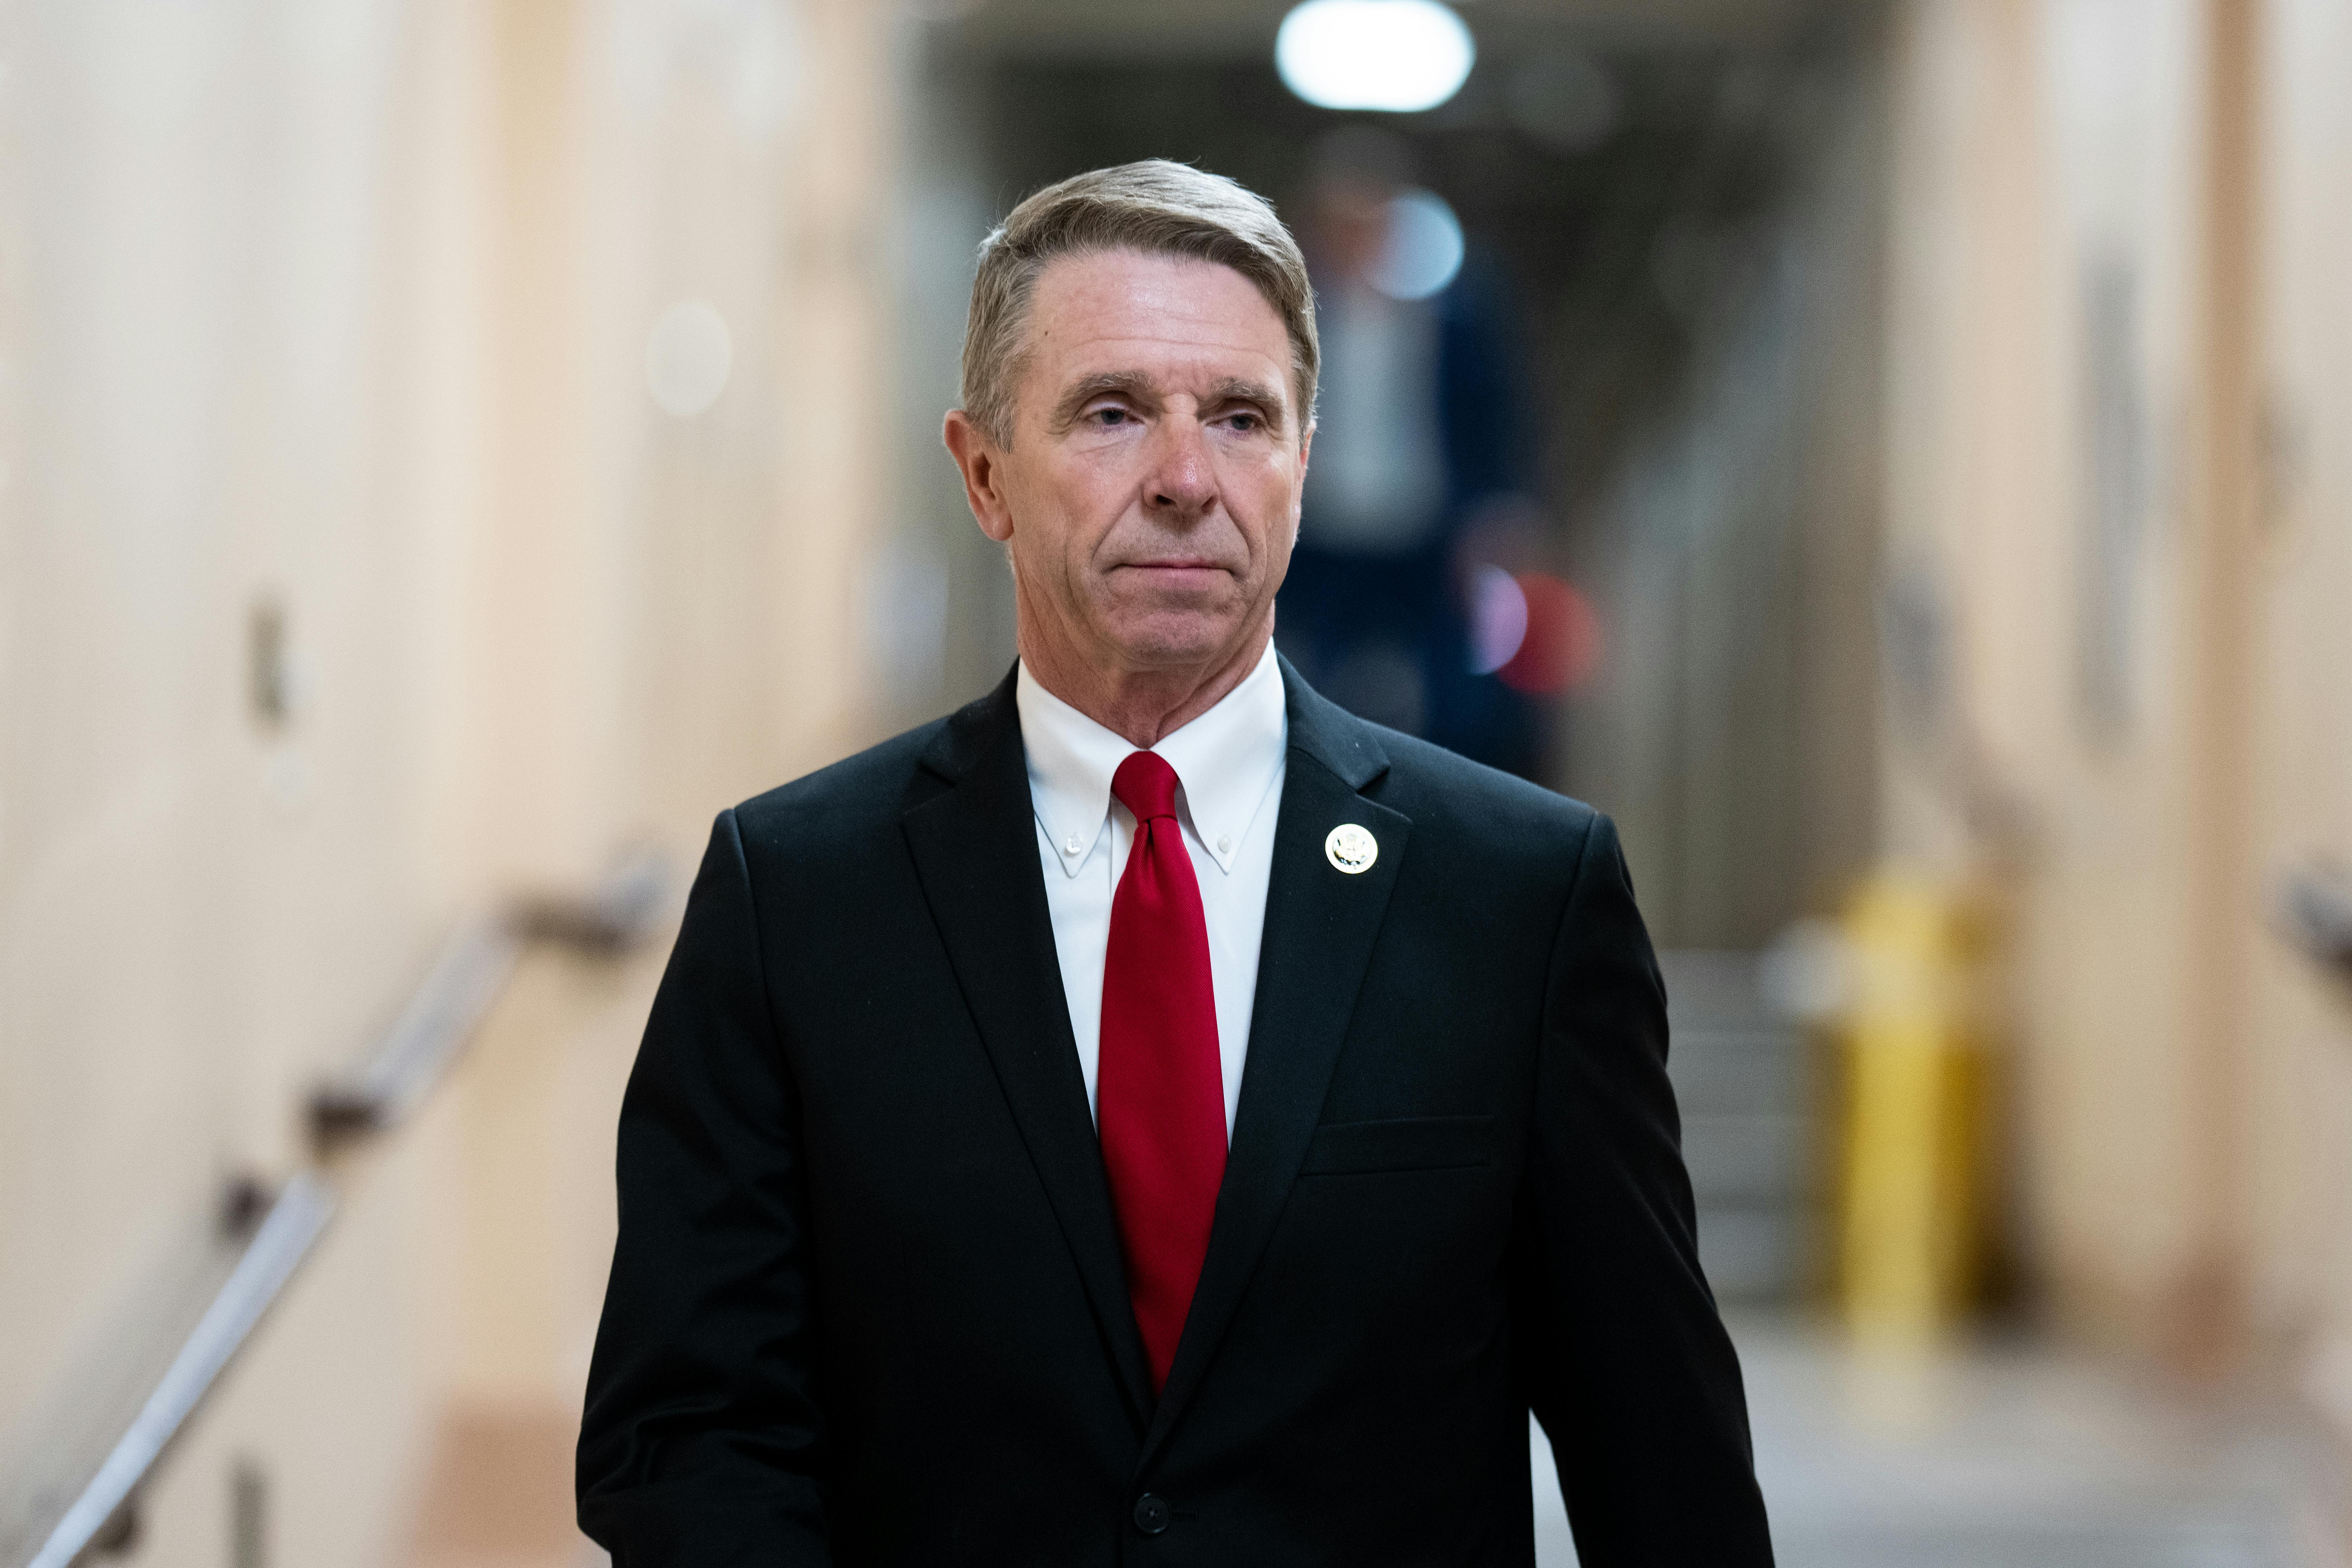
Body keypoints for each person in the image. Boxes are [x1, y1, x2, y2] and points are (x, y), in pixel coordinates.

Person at [576, 160, 1773, 1566]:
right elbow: (689, 1434)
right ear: (982, 473)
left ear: (1305, 465)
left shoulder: (1519, 896)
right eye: (1111, 412)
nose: (1188, 480)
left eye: (1242, 418)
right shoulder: (796, 899)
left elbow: (1664, 1460)